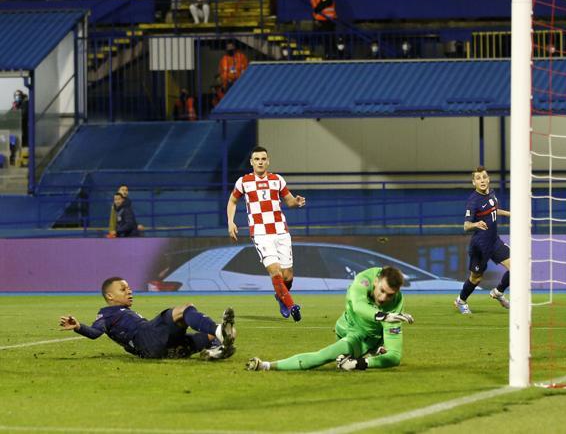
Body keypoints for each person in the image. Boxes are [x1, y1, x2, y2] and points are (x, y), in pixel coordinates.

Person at [245, 266, 414, 372]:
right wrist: (384, 316)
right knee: (323, 356)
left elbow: (395, 356)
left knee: (381, 351)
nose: (383, 298)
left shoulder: (396, 305)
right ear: (376, 281)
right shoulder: (363, 280)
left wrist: (361, 364)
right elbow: (358, 306)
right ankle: (266, 365)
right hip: (351, 330)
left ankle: (362, 356)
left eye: (390, 295)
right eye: (382, 291)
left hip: (367, 340)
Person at [59, 277, 236, 360]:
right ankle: (220, 331)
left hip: (157, 348)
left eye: (129, 288)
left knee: (208, 336)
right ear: (110, 296)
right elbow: (95, 333)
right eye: (123, 289)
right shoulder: (106, 314)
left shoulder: (121, 311)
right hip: (146, 338)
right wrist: (78, 326)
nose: (129, 291)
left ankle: (215, 350)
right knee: (183, 310)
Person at [226, 146, 307, 321]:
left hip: (281, 232)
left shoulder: (277, 180)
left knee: (288, 276)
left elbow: (289, 201)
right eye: (257, 159)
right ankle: (292, 305)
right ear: (251, 162)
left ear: (268, 161)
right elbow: (232, 201)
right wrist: (230, 221)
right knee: (275, 271)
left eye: (263, 159)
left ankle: (280, 296)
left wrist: (296, 202)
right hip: (261, 234)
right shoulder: (244, 182)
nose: (260, 162)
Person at [455, 166, 511, 314]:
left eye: (484, 177)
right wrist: (476, 224)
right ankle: (461, 300)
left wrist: (509, 213)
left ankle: (498, 293)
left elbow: (493, 209)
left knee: (517, 268)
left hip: (494, 241)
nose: (482, 180)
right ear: (474, 183)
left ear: (488, 179)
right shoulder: (473, 201)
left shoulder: (492, 193)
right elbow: (466, 226)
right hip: (480, 246)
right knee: (476, 278)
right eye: (478, 178)